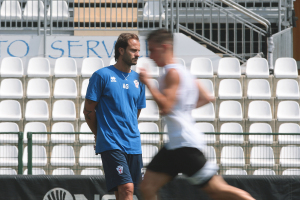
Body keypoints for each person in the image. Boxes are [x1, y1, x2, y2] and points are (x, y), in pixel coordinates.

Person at [139, 29, 255, 200]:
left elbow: (166, 107)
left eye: (152, 50)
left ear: (165, 47)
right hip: (175, 145)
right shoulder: (183, 71)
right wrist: (183, 109)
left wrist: (148, 82)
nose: (150, 56)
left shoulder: (172, 73)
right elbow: (207, 97)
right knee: (147, 187)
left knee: (217, 191)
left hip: (185, 145)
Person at [84, 33, 146, 200]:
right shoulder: (101, 76)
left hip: (133, 143)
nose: (138, 54)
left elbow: (136, 112)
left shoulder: (139, 79)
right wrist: (99, 133)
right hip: (111, 142)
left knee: (124, 192)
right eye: (133, 50)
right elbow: (88, 111)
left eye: (139, 51)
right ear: (121, 50)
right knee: (127, 187)